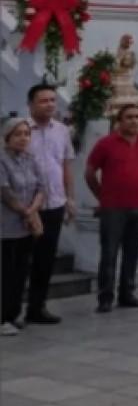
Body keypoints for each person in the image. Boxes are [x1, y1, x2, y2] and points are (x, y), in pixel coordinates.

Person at [85, 105, 138, 313]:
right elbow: (90, 173)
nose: (134, 121)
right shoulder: (106, 144)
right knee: (109, 253)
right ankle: (105, 297)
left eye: (137, 117)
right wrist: (103, 197)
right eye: (129, 117)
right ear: (120, 121)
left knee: (133, 253)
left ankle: (127, 293)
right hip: (113, 209)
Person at [26, 85, 74, 324]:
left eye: (52, 100)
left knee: (46, 259)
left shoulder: (62, 131)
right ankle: (9, 310)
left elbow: (65, 165)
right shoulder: (21, 130)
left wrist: (70, 198)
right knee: (19, 259)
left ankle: (37, 307)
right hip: (25, 207)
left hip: (54, 202)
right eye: (43, 100)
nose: (49, 104)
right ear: (31, 105)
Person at [0, 119, 44, 336]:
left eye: (26, 133)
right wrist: (25, 212)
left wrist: (32, 209)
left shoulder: (30, 159)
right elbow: (5, 191)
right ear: (7, 137)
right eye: (17, 134)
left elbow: (41, 187)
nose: (23, 138)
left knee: (20, 272)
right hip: (6, 225)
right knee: (5, 273)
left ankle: (12, 314)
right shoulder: (1, 160)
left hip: (26, 226)